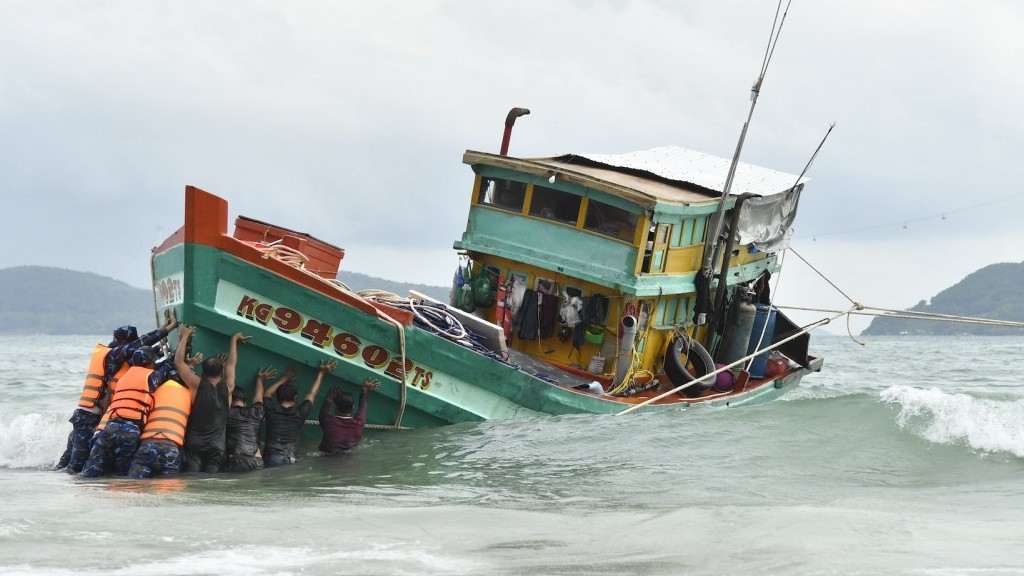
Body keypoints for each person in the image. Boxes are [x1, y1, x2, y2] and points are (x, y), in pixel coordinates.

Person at [56, 313, 177, 472]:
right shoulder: (111, 356)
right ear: (123, 343)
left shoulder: (116, 357)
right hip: (87, 419)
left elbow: (141, 357)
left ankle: (55, 479)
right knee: (76, 465)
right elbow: (135, 350)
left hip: (90, 417)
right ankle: (65, 488)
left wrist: (161, 349)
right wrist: (164, 331)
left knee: (71, 462)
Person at [79, 346, 165, 477]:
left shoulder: (124, 377)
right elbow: (167, 368)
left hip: (110, 427)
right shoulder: (151, 376)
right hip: (130, 431)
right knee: (121, 473)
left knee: (91, 470)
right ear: (150, 363)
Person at [176, 326, 248, 473]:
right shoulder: (228, 388)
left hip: (194, 444)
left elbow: (178, 363)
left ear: (202, 372)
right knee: (211, 480)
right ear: (222, 372)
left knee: (192, 478)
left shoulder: (196, 385)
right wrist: (234, 340)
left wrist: (184, 336)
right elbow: (232, 364)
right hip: (217, 448)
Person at [126, 348, 204, 478]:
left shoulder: (156, 390)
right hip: (170, 447)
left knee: (134, 484)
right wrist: (190, 367)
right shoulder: (188, 395)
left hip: (147, 444)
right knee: (167, 489)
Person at [263, 360, 335, 467]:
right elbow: (312, 393)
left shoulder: (270, 410)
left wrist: (284, 378)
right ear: (295, 398)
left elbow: (267, 393)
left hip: (273, 457)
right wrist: (321, 372)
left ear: (277, 398)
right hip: (290, 458)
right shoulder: (300, 413)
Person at [225, 365, 296, 472]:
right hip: (257, 461)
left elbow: (224, 394)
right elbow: (259, 395)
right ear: (245, 402)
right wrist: (260, 379)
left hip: (236, 460)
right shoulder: (256, 412)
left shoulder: (227, 413)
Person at [318, 378, 380, 455]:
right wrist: (364, 390)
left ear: (336, 408)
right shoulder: (359, 424)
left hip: (325, 459)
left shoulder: (327, 421)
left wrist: (329, 399)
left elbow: (322, 413)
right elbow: (363, 407)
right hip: (347, 462)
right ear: (353, 407)